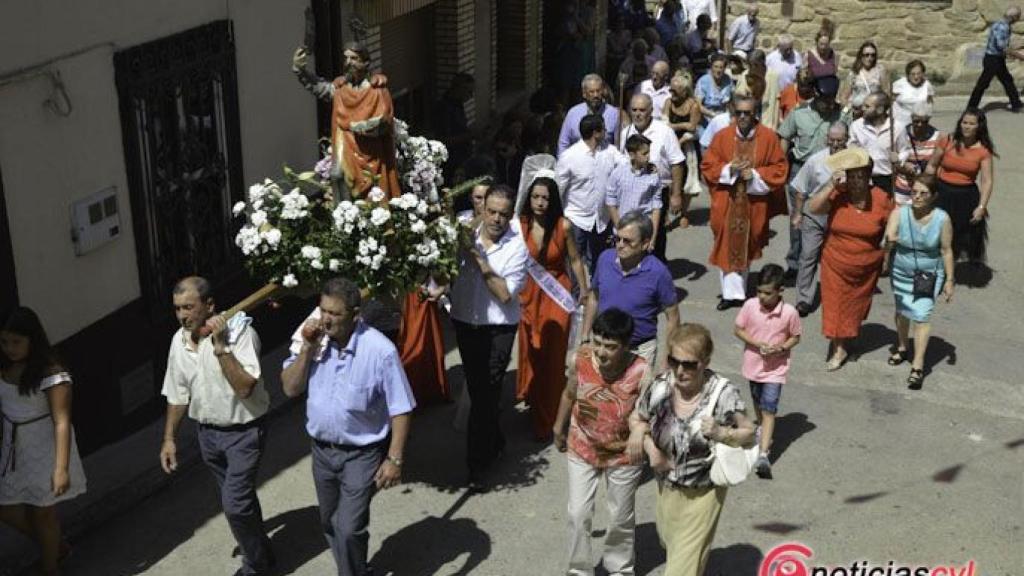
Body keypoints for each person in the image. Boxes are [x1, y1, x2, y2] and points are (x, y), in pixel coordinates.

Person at [281, 278, 414, 576]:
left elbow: (401, 407)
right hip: (322, 453)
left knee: (349, 527)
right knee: (330, 522)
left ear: (355, 315)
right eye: (323, 311)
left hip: (362, 454)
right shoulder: (312, 342)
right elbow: (290, 389)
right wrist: (306, 350)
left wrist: (394, 459)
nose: (326, 320)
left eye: (335, 314)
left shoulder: (380, 351)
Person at [159, 277, 274, 576]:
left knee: (235, 504)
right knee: (241, 501)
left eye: (189, 307)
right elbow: (178, 393)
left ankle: (255, 566)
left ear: (209, 305)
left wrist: (221, 347)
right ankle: (263, 553)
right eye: (177, 309)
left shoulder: (241, 333)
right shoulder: (178, 342)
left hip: (244, 433)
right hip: (208, 436)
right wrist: (169, 438)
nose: (183, 315)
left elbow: (246, 387)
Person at [631, 323, 756, 576]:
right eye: (674, 361)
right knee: (671, 543)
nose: (680, 370)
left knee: (680, 567)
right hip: (666, 485)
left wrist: (722, 433)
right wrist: (647, 445)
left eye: (689, 364)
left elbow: (750, 431)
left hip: (704, 493)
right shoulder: (661, 387)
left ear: (705, 362)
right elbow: (637, 418)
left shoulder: (723, 394)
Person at [552, 308, 652, 576]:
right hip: (582, 446)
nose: (601, 352)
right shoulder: (579, 360)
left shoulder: (642, 370)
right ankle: (579, 570)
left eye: (610, 346)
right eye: (597, 342)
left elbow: (648, 415)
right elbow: (569, 393)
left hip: (623, 455)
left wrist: (639, 435)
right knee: (578, 514)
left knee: (621, 516)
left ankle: (620, 569)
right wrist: (558, 427)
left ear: (626, 346)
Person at [448, 184, 529, 486]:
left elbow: (504, 294)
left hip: (498, 327)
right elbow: (445, 274)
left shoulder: (516, 247)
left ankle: (476, 467)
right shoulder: (462, 233)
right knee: (482, 389)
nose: (496, 219)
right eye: (491, 211)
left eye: (503, 215)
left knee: (484, 394)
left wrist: (479, 260)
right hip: (466, 321)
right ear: (481, 209)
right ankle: (494, 441)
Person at [0, 307, 86, 576]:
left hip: (44, 447)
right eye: (4, 341)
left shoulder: (51, 372)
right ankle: (55, 546)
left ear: (32, 340)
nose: (9, 348)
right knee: (7, 509)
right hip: (14, 448)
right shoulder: (5, 367)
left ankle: (50, 569)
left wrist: (60, 469)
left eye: (16, 342)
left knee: (43, 514)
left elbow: (62, 421)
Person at [808, 148, 894, 371]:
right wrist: (831, 185)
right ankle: (838, 348)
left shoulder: (881, 199)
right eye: (852, 176)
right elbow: (814, 208)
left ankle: (847, 337)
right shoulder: (839, 193)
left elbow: (893, 228)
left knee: (854, 308)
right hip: (835, 261)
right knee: (835, 305)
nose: (856, 182)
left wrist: (887, 254)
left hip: (865, 267)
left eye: (861, 176)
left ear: (869, 176)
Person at [517, 175, 588, 441]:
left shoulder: (563, 226)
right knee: (532, 353)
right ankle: (535, 403)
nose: (540, 202)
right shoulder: (520, 226)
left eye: (545, 198)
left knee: (554, 356)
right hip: (528, 296)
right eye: (535, 197)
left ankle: (548, 418)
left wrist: (584, 290)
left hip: (556, 295)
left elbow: (575, 260)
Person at [701, 95, 789, 310]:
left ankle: (739, 291)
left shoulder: (768, 138)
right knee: (725, 246)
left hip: (753, 205)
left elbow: (779, 168)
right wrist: (728, 170)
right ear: (733, 112)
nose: (742, 117)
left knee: (746, 245)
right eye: (738, 112)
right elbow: (708, 165)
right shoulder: (723, 136)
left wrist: (756, 175)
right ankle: (730, 295)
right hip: (727, 203)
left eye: (747, 113)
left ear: (755, 114)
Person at [292, 42, 400, 200]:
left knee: (373, 194)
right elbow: (321, 88)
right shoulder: (341, 88)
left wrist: (363, 126)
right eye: (346, 58)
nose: (349, 62)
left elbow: (385, 122)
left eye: (354, 58)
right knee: (337, 175)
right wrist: (300, 71)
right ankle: (343, 218)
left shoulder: (377, 91)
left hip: (370, 151)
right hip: (346, 144)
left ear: (366, 62)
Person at [581, 212, 680, 367]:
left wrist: (667, 358)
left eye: (627, 241)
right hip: (603, 347)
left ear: (645, 244)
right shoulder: (605, 259)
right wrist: (585, 337)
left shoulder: (658, 273)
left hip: (639, 351)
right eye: (617, 239)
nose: (620, 245)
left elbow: (672, 317)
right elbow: (594, 297)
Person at [884, 174, 954, 390]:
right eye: (914, 192)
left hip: (928, 274)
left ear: (933, 196)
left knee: (922, 315)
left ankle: (918, 365)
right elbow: (889, 235)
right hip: (902, 270)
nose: (917, 197)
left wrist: (950, 280)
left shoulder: (942, 219)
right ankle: (903, 347)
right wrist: (890, 241)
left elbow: (946, 250)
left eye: (923, 193)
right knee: (902, 310)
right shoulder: (900, 212)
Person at [732, 264, 801, 479]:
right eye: (759, 291)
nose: (762, 297)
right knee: (758, 403)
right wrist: (757, 343)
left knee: (770, 408)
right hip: (753, 366)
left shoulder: (789, 313)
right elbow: (738, 329)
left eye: (768, 293)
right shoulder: (750, 306)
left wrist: (782, 347)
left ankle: (763, 455)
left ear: (780, 291)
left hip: (776, 370)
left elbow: (795, 336)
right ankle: (762, 427)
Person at [778, 75, 842, 281]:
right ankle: (795, 261)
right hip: (801, 169)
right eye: (825, 100)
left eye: (832, 100)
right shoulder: (799, 114)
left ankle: (827, 259)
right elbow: (785, 138)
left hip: (830, 170)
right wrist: (782, 167)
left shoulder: (842, 114)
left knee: (831, 217)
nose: (829, 104)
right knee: (798, 218)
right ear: (815, 95)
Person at [924, 108, 996, 274]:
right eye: (964, 122)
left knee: (956, 237)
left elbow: (987, 181)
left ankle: (947, 272)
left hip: (966, 197)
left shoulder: (983, 151)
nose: (967, 127)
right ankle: (932, 270)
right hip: (942, 192)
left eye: (972, 124)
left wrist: (981, 207)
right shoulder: (947, 140)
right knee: (936, 233)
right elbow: (932, 165)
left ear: (979, 126)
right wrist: (924, 188)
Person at [790, 121, 849, 316]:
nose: (835, 145)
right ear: (826, 139)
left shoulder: (855, 159)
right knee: (808, 256)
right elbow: (800, 190)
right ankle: (803, 300)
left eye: (839, 141)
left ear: (846, 140)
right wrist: (798, 214)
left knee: (837, 260)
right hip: (814, 215)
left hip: (840, 217)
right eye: (832, 140)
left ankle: (837, 296)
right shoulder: (815, 160)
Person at [557, 114, 627, 274]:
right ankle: (576, 295)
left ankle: (596, 293)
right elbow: (559, 188)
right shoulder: (569, 157)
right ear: (595, 132)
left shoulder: (610, 151)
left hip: (602, 220)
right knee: (574, 260)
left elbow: (625, 164)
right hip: (576, 219)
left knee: (599, 260)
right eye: (603, 128)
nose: (607, 131)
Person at [620, 93, 686, 247]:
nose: (637, 114)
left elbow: (677, 163)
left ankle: (656, 265)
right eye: (634, 110)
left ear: (650, 111)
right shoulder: (626, 133)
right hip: (631, 192)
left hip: (657, 192)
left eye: (642, 110)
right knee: (633, 235)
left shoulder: (664, 132)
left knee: (655, 236)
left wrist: (676, 195)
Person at [848, 91, 913, 193]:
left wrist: (899, 158)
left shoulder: (897, 127)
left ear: (880, 110)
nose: (863, 108)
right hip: (866, 179)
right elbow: (851, 149)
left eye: (867, 106)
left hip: (889, 178)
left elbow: (905, 150)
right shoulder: (856, 126)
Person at [607, 135, 665, 242]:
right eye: (644, 153)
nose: (648, 156)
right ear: (632, 155)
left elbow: (656, 207)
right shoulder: (618, 173)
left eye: (649, 152)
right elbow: (611, 202)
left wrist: (653, 237)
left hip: (643, 233)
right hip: (622, 232)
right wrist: (620, 228)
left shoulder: (653, 175)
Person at [967, 6, 1024, 112]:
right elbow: (1002, 46)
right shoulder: (1002, 27)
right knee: (983, 84)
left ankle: (1016, 104)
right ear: (1014, 17)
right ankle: (971, 108)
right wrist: (1020, 56)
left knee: (1007, 80)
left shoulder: (1003, 25)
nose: (1019, 19)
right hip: (993, 60)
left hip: (997, 59)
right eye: (1018, 16)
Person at [559, 74, 622, 156]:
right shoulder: (573, 113)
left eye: (598, 91)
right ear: (584, 94)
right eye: (591, 92)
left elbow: (618, 145)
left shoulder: (613, 114)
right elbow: (563, 143)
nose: (595, 95)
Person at [893, 102, 942, 206]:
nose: (920, 124)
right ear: (911, 118)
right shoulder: (902, 133)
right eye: (916, 121)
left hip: (924, 190)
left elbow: (938, 165)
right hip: (903, 188)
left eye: (924, 121)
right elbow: (894, 161)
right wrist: (903, 165)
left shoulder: (937, 137)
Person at [664, 72, 705, 197]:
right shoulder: (668, 102)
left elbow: (692, 128)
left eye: (675, 91)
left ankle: (684, 211)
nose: (672, 94)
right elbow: (664, 122)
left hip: (688, 144)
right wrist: (683, 125)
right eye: (671, 90)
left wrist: (676, 127)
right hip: (671, 141)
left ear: (684, 92)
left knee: (687, 176)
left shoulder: (693, 106)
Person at [432, 73, 476, 180]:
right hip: (451, 162)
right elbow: (443, 140)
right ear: (459, 89)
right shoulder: (444, 109)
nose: (471, 95)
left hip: (463, 157)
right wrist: (469, 136)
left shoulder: (458, 105)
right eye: (469, 91)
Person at [840, 41, 889, 107]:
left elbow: (886, 93)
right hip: (857, 111)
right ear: (861, 56)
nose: (869, 58)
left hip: (874, 112)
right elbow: (844, 96)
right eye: (867, 55)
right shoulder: (854, 73)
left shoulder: (880, 71)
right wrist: (850, 109)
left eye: (872, 55)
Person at [891, 60, 934, 132]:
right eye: (913, 74)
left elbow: (929, 106)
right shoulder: (899, 84)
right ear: (908, 75)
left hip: (918, 126)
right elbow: (890, 102)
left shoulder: (927, 85)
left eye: (919, 73)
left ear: (923, 73)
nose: (916, 77)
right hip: (899, 125)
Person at [695, 54, 735, 121]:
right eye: (715, 67)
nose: (718, 70)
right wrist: (713, 115)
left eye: (721, 67)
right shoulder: (703, 81)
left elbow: (733, 101)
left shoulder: (728, 80)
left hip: (723, 117)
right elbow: (698, 105)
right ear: (711, 67)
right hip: (707, 117)